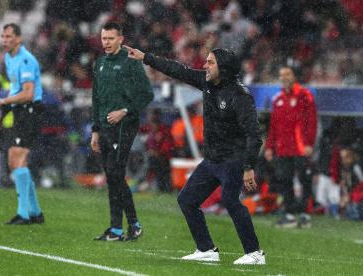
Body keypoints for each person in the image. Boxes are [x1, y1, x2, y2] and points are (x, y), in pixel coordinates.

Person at [124, 45, 265, 264]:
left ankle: (255, 253)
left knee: (230, 201)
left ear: (224, 68)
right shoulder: (206, 83)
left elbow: (254, 134)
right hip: (212, 160)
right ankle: (207, 249)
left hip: (233, 160)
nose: (204, 66)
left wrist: (248, 166)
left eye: (210, 62)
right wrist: (146, 58)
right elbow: (177, 70)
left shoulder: (240, 95)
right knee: (187, 200)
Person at [91, 22, 153, 241]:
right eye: (104, 38)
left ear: (120, 39)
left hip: (124, 126)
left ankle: (132, 224)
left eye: (110, 38)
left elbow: (147, 94)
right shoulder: (99, 63)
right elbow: (96, 99)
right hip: (105, 128)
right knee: (112, 176)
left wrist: (124, 111)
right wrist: (95, 130)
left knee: (115, 174)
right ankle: (117, 228)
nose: (106, 43)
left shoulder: (131, 63)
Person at [0, 23, 44, 225]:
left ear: (19, 39)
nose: (4, 40)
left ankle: (24, 213)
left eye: (9, 36)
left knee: (14, 158)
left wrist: (1, 102)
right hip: (20, 112)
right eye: (2, 36)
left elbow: (28, 93)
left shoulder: (26, 60)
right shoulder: (10, 59)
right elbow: (14, 90)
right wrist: (2, 114)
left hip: (30, 111)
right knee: (18, 161)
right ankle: (35, 212)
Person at [264, 66, 317, 228]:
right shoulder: (277, 99)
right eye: (281, 75)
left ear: (294, 76)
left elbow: (312, 122)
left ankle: (305, 215)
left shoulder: (304, 95)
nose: (284, 77)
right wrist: (269, 147)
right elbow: (273, 126)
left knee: (304, 180)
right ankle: (290, 214)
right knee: (285, 180)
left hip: (300, 147)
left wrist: (309, 143)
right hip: (283, 147)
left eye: (287, 74)